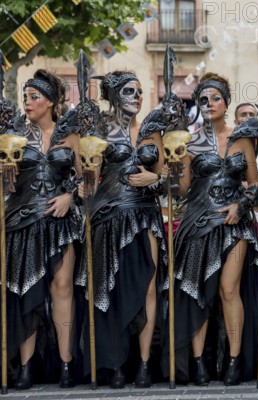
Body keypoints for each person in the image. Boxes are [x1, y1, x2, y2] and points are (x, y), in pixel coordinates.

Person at [162, 72, 258, 386]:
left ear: (226, 103)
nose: (209, 104)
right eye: (203, 100)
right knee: (197, 293)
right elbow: (182, 191)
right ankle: (199, 362)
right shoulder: (187, 142)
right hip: (198, 222)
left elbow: (255, 185)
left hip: (235, 223)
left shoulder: (242, 138)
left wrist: (241, 206)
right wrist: (174, 170)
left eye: (215, 98)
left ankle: (233, 360)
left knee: (228, 289)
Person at [75, 70, 166, 388]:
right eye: (130, 91)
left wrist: (154, 178)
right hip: (108, 218)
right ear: (114, 96)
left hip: (145, 216)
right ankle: (113, 364)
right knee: (109, 290)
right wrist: (83, 179)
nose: (138, 97)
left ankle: (144, 364)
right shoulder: (98, 130)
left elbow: (166, 174)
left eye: (140, 91)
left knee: (148, 288)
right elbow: (87, 180)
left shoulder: (152, 130)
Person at [5, 70, 80, 389]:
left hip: (61, 222)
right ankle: (25, 367)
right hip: (23, 221)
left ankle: (66, 363)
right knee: (28, 290)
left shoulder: (71, 134)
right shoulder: (14, 135)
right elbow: (7, 183)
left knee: (62, 289)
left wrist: (69, 196)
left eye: (34, 97)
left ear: (50, 102)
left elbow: (87, 178)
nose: (28, 102)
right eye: (25, 97)